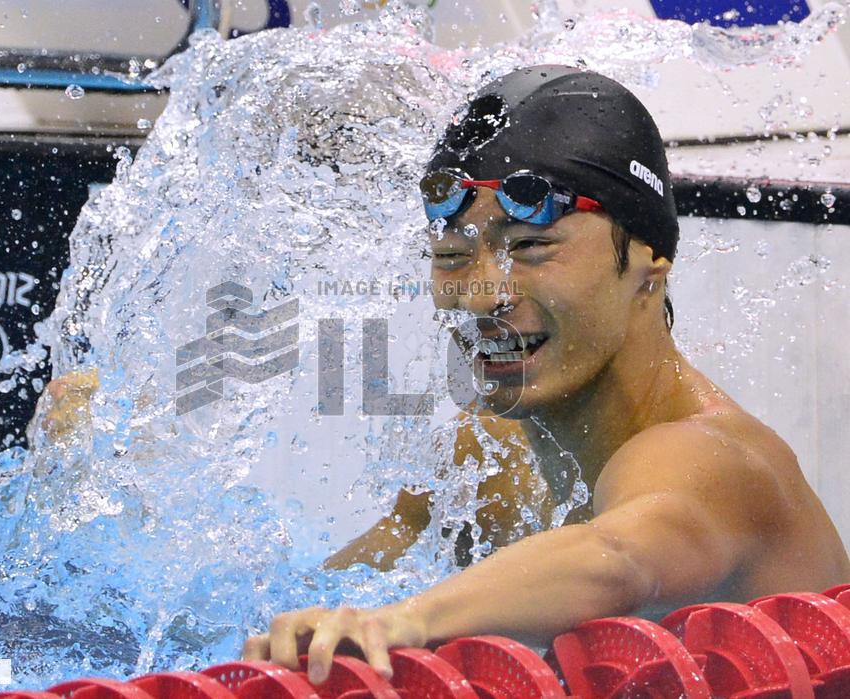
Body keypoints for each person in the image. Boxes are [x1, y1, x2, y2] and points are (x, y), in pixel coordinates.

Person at [240, 65, 850, 684]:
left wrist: (403, 622)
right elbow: (320, 608)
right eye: (451, 255)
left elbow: (616, 559)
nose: (480, 297)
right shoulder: (485, 462)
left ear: (650, 265)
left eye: (532, 247)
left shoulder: (718, 461)